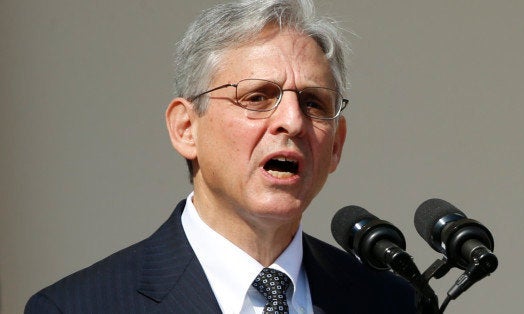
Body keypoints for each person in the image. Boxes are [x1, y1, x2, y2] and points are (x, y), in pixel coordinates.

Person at [25, 0, 417, 313]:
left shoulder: (391, 302)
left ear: (336, 145)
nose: (292, 122)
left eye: (313, 102)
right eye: (258, 97)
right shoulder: (80, 306)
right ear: (186, 128)